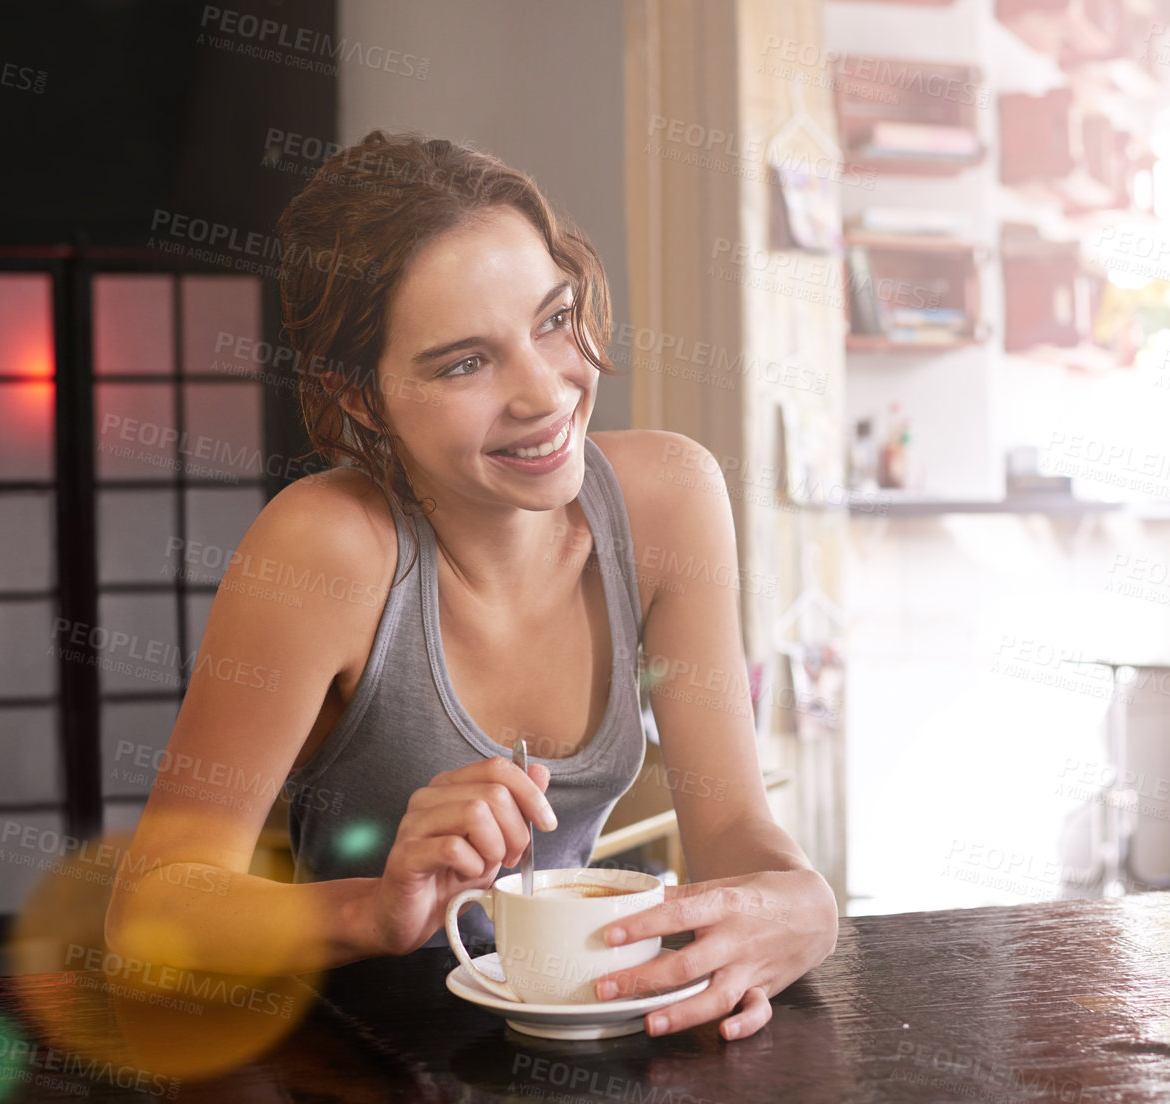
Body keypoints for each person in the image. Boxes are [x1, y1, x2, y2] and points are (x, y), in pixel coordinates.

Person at [105, 129, 838, 1041]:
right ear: (360, 398)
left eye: (553, 319)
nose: (545, 393)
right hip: (355, 1063)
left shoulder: (671, 501)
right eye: (465, 362)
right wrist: (377, 910)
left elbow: (732, 829)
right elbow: (149, 916)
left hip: (588, 1032)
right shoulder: (324, 550)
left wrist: (803, 902)